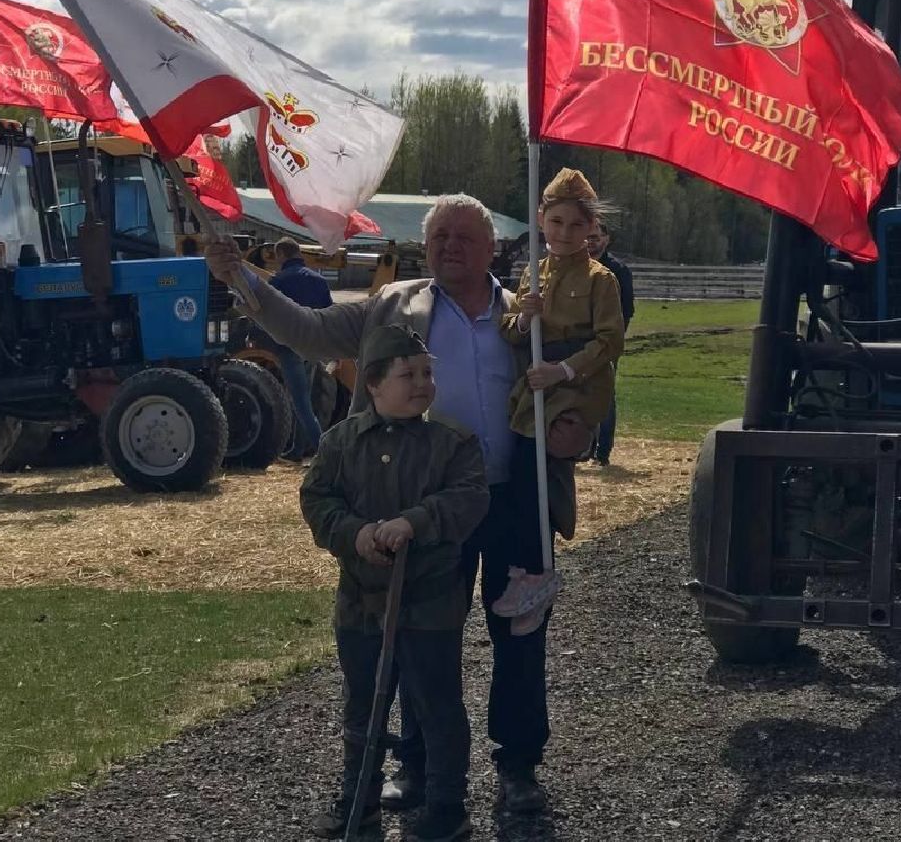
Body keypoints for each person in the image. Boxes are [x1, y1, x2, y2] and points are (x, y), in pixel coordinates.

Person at [205, 194, 579, 815]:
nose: (450, 247)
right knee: (416, 636)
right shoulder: (393, 305)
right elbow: (308, 331)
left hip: (516, 498)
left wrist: (579, 435)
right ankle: (417, 763)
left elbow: (575, 393)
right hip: (421, 506)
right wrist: (242, 277)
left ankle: (518, 768)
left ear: (492, 249)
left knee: (521, 635)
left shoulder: (528, 316)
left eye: (464, 237)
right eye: (440, 237)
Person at [300, 324, 488, 842]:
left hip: (430, 605)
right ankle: (357, 803)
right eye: (408, 375)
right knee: (363, 705)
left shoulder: (452, 444)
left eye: (428, 373)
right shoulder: (340, 442)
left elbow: (469, 498)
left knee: (437, 706)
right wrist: (354, 534)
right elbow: (317, 500)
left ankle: (447, 807)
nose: (423, 383)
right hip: (361, 604)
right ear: (374, 383)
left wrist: (416, 522)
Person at [496, 169, 623, 629]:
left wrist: (563, 370)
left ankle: (539, 570)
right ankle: (530, 566)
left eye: (576, 225)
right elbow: (509, 330)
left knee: (538, 468)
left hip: (576, 385)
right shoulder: (535, 270)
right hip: (537, 386)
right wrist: (526, 319)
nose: (565, 234)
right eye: (556, 222)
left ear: (592, 227)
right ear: (541, 219)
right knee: (521, 475)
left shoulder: (600, 279)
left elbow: (610, 342)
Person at [267, 236, 333, 460]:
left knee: (300, 402)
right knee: (304, 399)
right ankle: (296, 449)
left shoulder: (278, 281)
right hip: (313, 347)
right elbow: (329, 313)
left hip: (290, 346)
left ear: (282, 255)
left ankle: (325, 451)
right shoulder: (319, 280)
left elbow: (268, 314)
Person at [586, 218, 634, 467]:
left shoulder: (619, 270)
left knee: (605, 394)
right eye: (588, 237)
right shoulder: (577, 267)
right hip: (581, 341)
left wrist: (613, 340)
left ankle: (602, 451)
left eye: (596, 238)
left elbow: (627, 310)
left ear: (606, 239)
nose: (592, 243)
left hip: (607, 341)